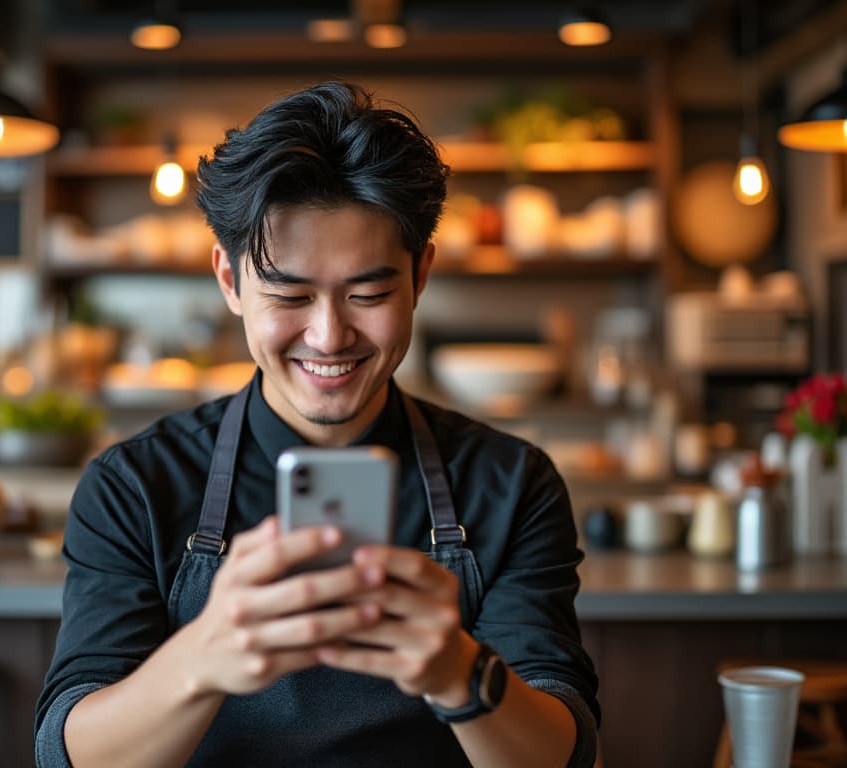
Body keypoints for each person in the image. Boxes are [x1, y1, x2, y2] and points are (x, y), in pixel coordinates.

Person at [35, 81, 599, 768]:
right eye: (290, 295)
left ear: (421, 274)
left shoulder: (511, 483)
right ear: (229, 280)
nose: (330, 336)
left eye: (369, 294)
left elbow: (565, 754)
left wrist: (459, 671)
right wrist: (203, 657)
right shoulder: (134, 486)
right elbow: (69, 754)